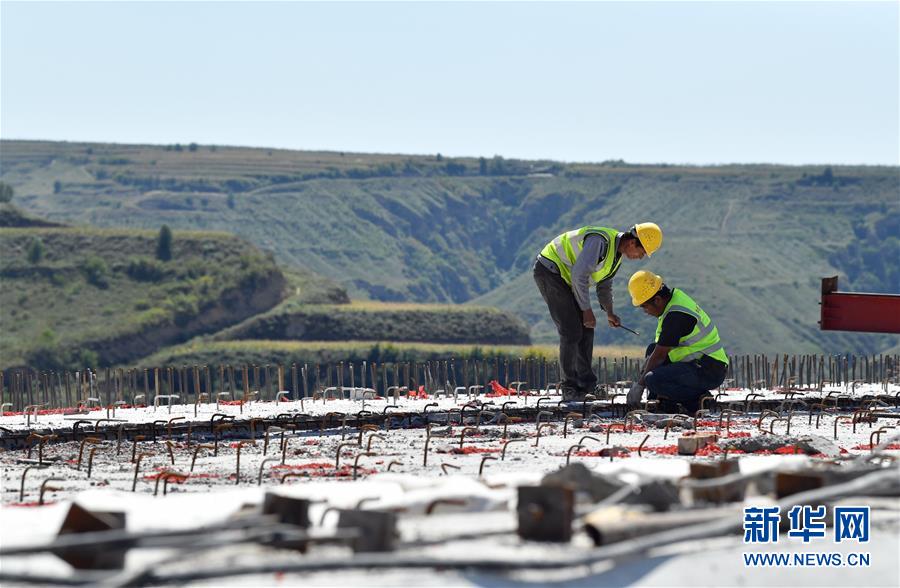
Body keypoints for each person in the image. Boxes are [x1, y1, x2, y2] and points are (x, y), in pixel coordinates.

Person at [533, 223, 663, 401]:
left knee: (586, 329)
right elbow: (579, 275)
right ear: (633, 243)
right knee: (571, 331)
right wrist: (586, 310)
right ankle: (569, 388)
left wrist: (609, 312)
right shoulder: (599, 241)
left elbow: (604, 286)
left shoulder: (615, 258)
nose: (640, 257)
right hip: (550, 271)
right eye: (642, 253)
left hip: (566, 279)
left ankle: (587, 386)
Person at [626, 270, 729, 413]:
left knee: (653, 379)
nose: (645, 311)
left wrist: (640, 385)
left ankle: (699, 401)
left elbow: (660, 356)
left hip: (709, 370)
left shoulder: (676, 315)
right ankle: (664, 401)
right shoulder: (672, 302)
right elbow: (656, 352)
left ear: (657, 300)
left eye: (645, 306)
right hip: (697, 363)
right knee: (652, 350)